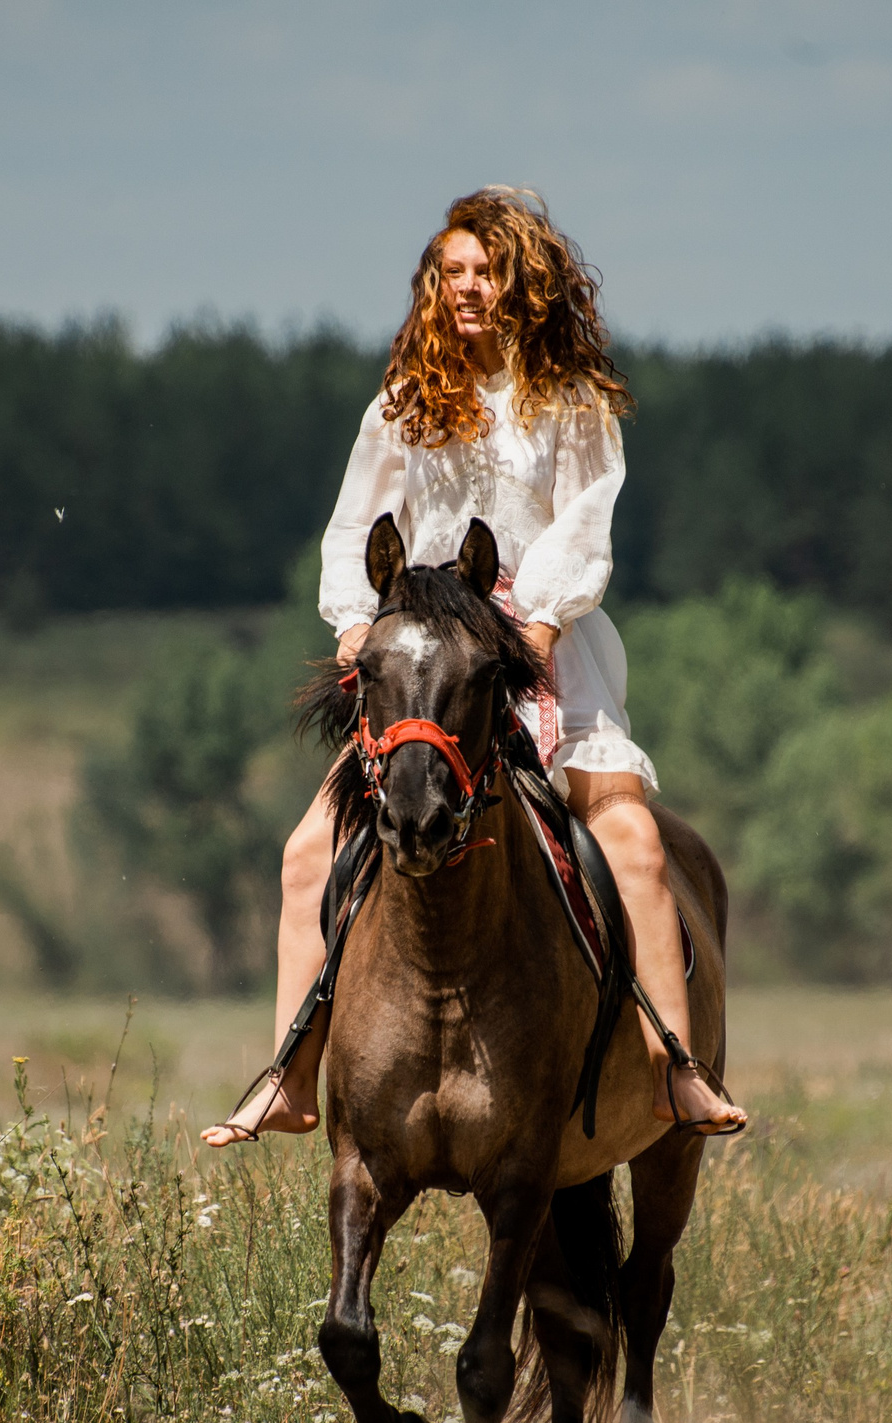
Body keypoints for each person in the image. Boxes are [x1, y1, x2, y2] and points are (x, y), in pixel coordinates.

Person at [202, 188, 746, 1146]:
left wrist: (534, 622)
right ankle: (289, 1072)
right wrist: (353, 620)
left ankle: (674, 1068)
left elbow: (585, 523)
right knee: (303, 856)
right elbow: (353, 525)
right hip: (424, 659)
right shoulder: (403, 405)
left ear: (521, 281)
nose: (464, 289)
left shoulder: (570, 402)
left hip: (544, 649)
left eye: (483, 272)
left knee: (635, 845)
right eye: (449, 273)